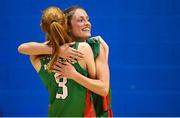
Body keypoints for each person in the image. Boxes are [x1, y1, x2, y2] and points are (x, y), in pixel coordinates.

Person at [18, 5, 113, 117]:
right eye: (80, 20)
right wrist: (72, 72)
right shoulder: (90, 47)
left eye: (88, 19)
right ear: (66, 26)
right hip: (92, 113)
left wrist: (56, 50)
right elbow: (102, 88)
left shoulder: (39, 55)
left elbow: (23, 48)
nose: (87, 23)